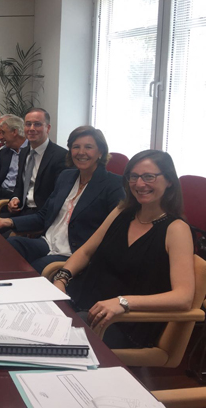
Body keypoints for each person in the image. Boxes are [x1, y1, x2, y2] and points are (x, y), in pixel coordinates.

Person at [52, 150, 195, 349]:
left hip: (122, 322)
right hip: (83, 301)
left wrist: (123, 302)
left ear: (169, 180)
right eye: (133, 177)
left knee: (47, 337)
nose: (139, 184)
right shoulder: (122, 211)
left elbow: (184, 297)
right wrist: (61, 277)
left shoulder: (176, 229)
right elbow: (86, 251)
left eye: (149, 177)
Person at [0, 126, 125, 273]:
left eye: (88, 147)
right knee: (11, 245)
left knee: (35, 268)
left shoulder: (113, 184)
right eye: (76, 147)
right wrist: (8, 221)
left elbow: (116, 231)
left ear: (100, 152)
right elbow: (44, 215)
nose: (81, 152)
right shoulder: (66, 176)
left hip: (73, 252)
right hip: (47, 243)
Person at [4, 108, 68, 218]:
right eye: (28, 124)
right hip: (21, 210)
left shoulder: (61, 156)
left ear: (48, 128)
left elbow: (58, 195)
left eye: (37, 124)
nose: (31, 129)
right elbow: (19, 185)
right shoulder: (24, 152)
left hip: (41, 215)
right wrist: (15, 198)